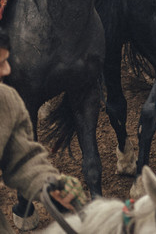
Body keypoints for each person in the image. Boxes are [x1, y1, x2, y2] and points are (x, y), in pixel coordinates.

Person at [0, 29, 89, 222]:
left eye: (6, 60)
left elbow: (22, 160)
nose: (7, 70)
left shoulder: (7, 101)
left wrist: (50, 186)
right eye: (0, 64)